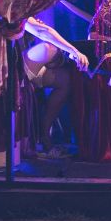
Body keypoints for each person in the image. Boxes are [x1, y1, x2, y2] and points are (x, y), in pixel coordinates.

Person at [22, 16, 89, 156]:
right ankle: (65, 58)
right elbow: (43, 32)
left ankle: (45, 133)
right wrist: (73, 51)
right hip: (11, 62)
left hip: (28, 64)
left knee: (65, 79)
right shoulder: (14, 8)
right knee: (49, 48)